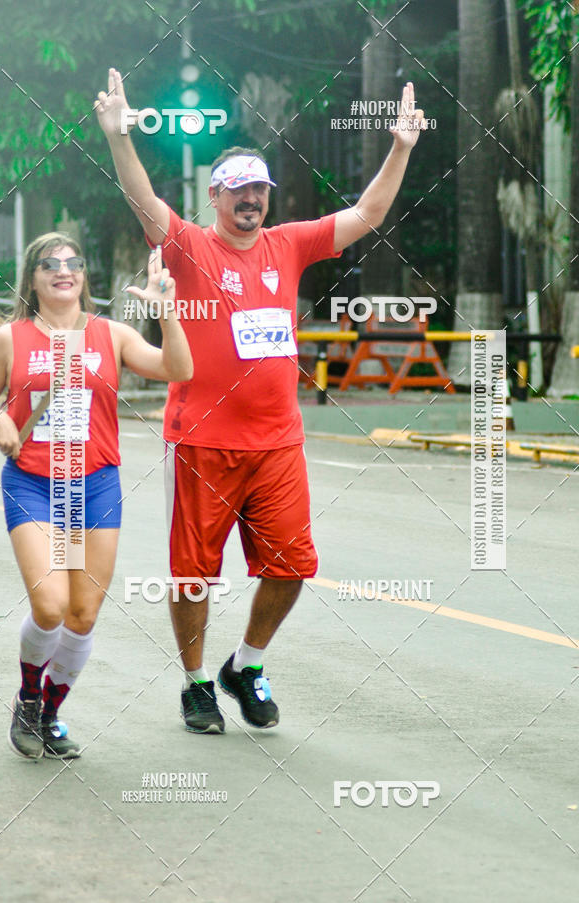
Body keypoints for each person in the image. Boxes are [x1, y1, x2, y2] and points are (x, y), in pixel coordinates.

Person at [96, 69, 426, 734]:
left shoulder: (289, 243)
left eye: (260, 190)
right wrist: (119, 137)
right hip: (201, 439)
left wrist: (400, 149)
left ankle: (245, 664)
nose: (251, 200)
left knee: (294, 565)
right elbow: (141, 201)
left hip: (278, 441)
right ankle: (195, 684)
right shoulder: (188, 243)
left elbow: (366, 215)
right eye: (239, 189)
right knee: (194, 574)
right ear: (214, 195)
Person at [0, 234, 192, 758]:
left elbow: (179, 370)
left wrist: (167, 312)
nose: (63, 270)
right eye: (49, 264)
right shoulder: (10, 339)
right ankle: (28, 697)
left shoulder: (111, 334)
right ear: (32, 278)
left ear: (83, 276)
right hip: (33, 481)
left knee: (82, 614)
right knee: (50, 606)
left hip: (94, 484)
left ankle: (49, 713)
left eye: (73, 263)